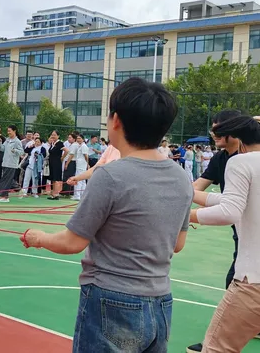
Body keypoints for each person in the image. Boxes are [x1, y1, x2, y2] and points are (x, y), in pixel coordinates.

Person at [21, 77, 193, 352]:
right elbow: (177, 244)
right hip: (160, 301)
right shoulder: (181, 177)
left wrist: (38, 237)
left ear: (116, 121)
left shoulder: (110, 176)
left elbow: (72, 242)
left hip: (112, 300)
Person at [186, 109, 260, 352]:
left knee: (217, 347)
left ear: (242, 141)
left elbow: (229, 211)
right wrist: (189, 197)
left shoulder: (240, 161)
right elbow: (236, 201)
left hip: (257, 280)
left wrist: (186, 216)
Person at [0, 125, 24, 203]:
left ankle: (5, 197)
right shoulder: (7, 140)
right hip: (5, 162)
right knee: (8, 179)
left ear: (14, 131)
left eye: (9, 131)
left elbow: (21, 152)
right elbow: (2, 149)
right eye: (7, 131)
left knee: (6, 180)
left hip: (12, 163)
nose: (8, 132)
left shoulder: (17, 141)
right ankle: (19, 189)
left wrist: (15, 150)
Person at [64, 134, 90, 201]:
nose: (78, 140)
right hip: (80, 164)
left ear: (83, 139)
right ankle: (82, 195)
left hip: (81, 165)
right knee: (82, 180)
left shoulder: (83, 146)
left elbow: (86, 156)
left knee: (79, 179)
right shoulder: (80, 146)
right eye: (77, 138)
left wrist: (87, 164)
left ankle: (77, 195)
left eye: (80, 138)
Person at [46, 130, 65, 200]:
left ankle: (56, 194)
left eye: (54, 135)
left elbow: (66, 150)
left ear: (58, 136)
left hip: (57, 162)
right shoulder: (53, 143)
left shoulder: (60, 143)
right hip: (52, 162)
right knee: (53, 178)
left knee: (56, 178)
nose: (53, 136)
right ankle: (53, 194)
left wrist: (62, 158)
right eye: (52, 135)